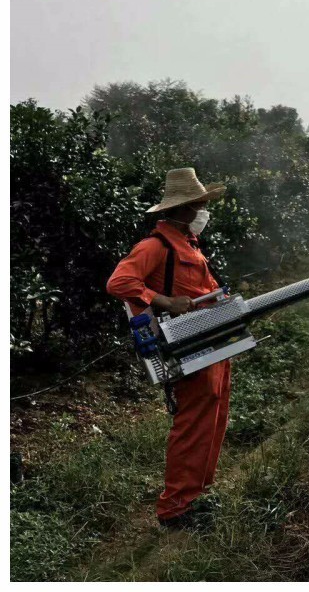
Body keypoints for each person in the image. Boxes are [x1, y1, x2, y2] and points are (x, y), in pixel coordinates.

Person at [107, 168, 229, 531]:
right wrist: (163, 300)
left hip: (208, 341)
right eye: (201, 205)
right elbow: (119, 282)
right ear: (186, 209)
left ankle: (198, 495)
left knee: (213, 419)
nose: (205, 212)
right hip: (184, 346)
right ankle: (175, 508)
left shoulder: (190, 246)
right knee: (192, 425)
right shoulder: (154, 247)